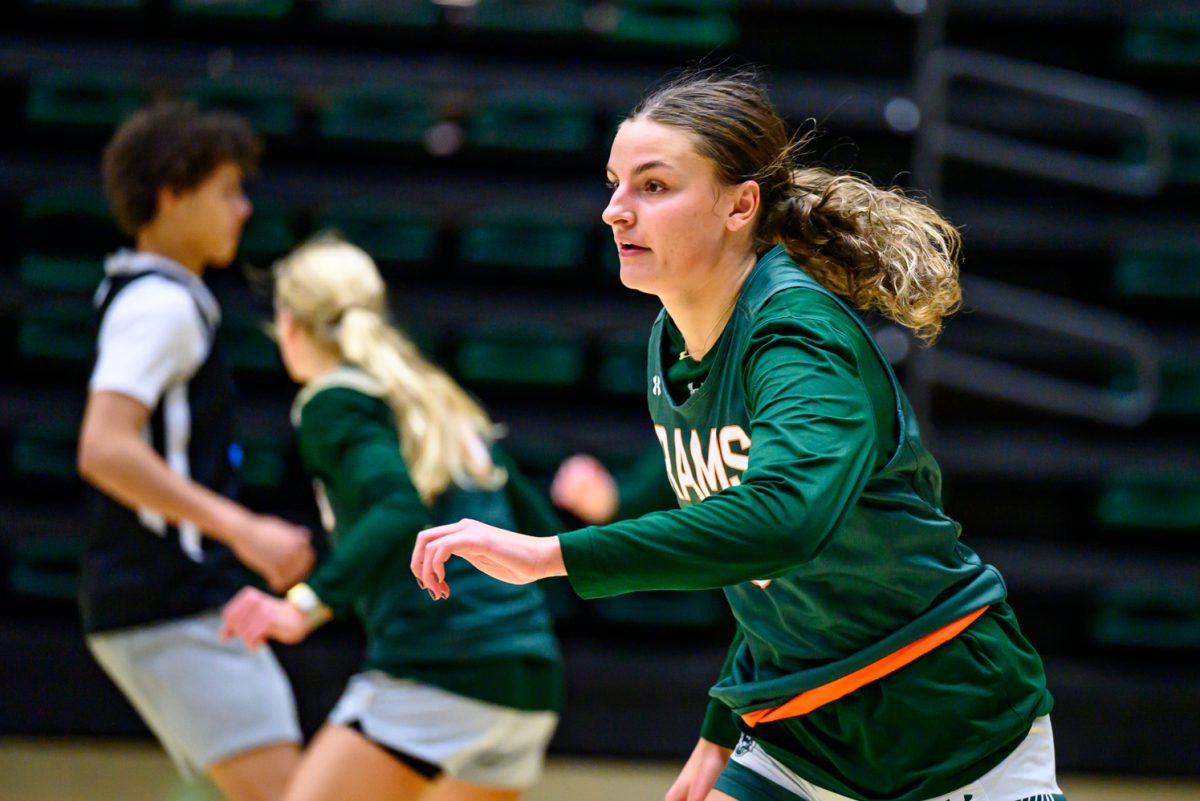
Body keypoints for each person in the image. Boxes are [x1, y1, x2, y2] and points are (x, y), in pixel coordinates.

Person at [412, 69, 1063, 801]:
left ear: (740, 204)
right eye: (615, 185)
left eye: (653, 186)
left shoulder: (798, 336)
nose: (615, 212)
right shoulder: (672, 341)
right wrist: (722, 727)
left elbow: (782, 523)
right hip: (798, 725)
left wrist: (550, 555)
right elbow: (756, 574)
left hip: (942, 712)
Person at [220, 236, 562, 801]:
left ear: (289, 324)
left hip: (438, 670)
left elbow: (397, 506)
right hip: (530, 683)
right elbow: (539, 525)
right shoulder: (437, 397)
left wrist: (304, 604)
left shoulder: (333, 400)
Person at [76, 103, 313, 801]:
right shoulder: (161, 305)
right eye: (227, 191)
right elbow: (104, 447)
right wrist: (243, 529)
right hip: (172, 600)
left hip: (169, 599)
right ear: (172, 195)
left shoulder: (149, 292)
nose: (243, 209)